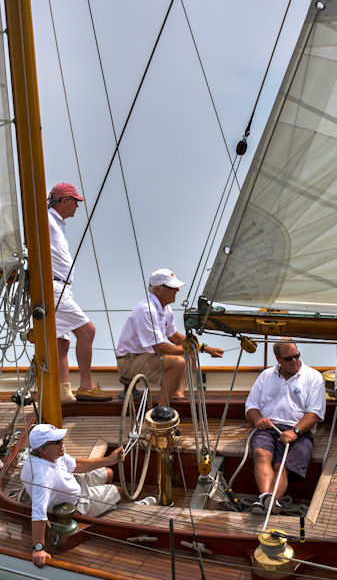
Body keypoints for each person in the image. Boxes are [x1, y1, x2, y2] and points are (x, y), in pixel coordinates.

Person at [21, 423, 126, 569]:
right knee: (118, 491)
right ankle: (141, 503)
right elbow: (38, 513)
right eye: (57, 441)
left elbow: (75, 465)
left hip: (74, 482)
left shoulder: (53, 455)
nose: (62, 443)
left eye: (61, 438)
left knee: (109, 472)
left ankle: (105, 483)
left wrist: (110, 460)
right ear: (42, 449)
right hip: (77, 503)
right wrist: (38, 549)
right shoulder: (43, 477)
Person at [115, 268, 223, 405]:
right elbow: (159, 347)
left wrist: (203, 348)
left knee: (189, 354)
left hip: (145, 357)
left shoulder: (165, 309)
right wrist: (192, 348)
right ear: (157, 290)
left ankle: (178, 394)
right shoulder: (147, 310)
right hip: (129, 362)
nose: (177, 290)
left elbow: (174, 336)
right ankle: (162, 411)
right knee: (178, 361)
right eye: (172, 287)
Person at [245, 339, 326, 514]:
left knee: (280, 466)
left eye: (297, 356)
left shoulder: (313, 377)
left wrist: (295, 431)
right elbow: (251, 406)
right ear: (278, 359)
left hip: (299, 431)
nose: (295, 361)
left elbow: (315, 413)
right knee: (260, 453)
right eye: (289, 358)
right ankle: (267, 500)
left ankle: (267, 502)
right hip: (268, 427)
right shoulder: (266, 375)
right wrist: (258, 419)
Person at [48, 182, 111, 402]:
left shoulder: (57, 223)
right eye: (75, 201)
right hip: (54, 287)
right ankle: (86, 385)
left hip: (61, 287)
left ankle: (63, 391)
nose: (77, 206)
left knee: (61, 342)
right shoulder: (46, 219)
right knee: (87, 331)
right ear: (64, 200)